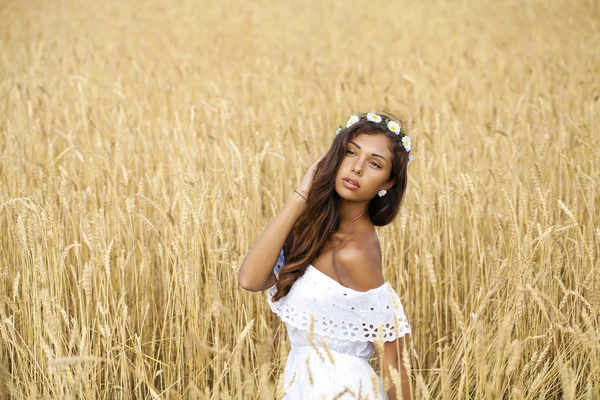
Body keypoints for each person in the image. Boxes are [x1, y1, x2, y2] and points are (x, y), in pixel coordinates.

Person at [238, 111, 414, 399]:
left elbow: (392, 363)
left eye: (374, 164)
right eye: (349, 153)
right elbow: (250, 278)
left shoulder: (356, 253)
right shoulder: (314, 230)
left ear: (387, 183)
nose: (357, 168)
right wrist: (302, 194)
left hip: (343, 391)